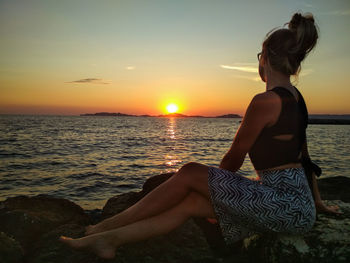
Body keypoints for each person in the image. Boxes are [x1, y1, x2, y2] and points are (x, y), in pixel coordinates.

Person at [59, 12, 340, 259]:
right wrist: (317, 202)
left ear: (265, 58)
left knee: (191, 172)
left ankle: (100, 226)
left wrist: (220, 193)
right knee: (191, 204)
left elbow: (233, 158)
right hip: (296, 205)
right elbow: (306, 158)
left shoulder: (264, 101)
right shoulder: (298, 98)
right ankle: (107, 241)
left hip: (282, 204)